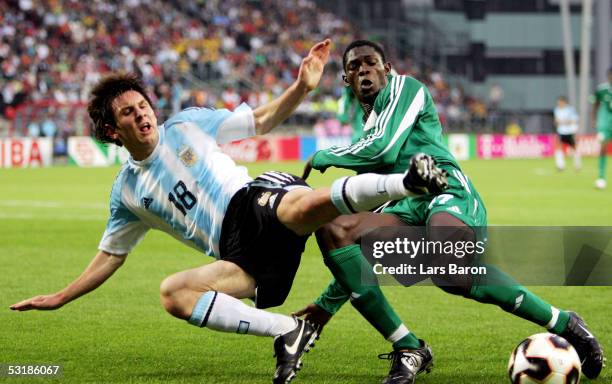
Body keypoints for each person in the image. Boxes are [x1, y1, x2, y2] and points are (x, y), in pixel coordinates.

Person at [8, 40, 449, 384]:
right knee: (174, 294)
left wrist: (301, 88)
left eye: (142, 105)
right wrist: (61, 297)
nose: (142, 114)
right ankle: (286, 329)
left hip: (252, 202)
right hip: (237, 254)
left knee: (305, 207)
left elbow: (258, 122)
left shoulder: (185, 124)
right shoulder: (126, 192)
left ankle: (406, 182)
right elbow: (110, 255)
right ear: (111, 130)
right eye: (128, 112)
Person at [296, 40, 604, 384]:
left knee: (448, 268)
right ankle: (408, 348)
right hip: (406, 205)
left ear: (387, 68)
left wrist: (325, 155)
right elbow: (358, 249)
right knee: (337, 230)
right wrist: (325, 307)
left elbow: (384, 149)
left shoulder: (405, 88)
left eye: (371, 63)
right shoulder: (370, 127)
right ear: (345, 80)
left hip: (445, 189)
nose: (363, 70)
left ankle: (565, 323)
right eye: (354, 67)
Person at [591, 67, 612, 189]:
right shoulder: (601, 90)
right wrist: (594, 120)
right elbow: (595, 105)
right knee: (603, 147)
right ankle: (601, 177)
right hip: (605, 124)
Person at [553, 96, 580, 171]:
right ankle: (560, 165)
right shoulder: (557, 110)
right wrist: (559, 122)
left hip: (569, 131)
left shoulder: (570, 110)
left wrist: (564, 122)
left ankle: (577, 164)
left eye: (560, 102)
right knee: (558, 147)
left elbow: (574, 120)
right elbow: (556, 121)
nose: (559, 103)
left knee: (574, 148)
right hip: (561, 131)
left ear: (564, 102)